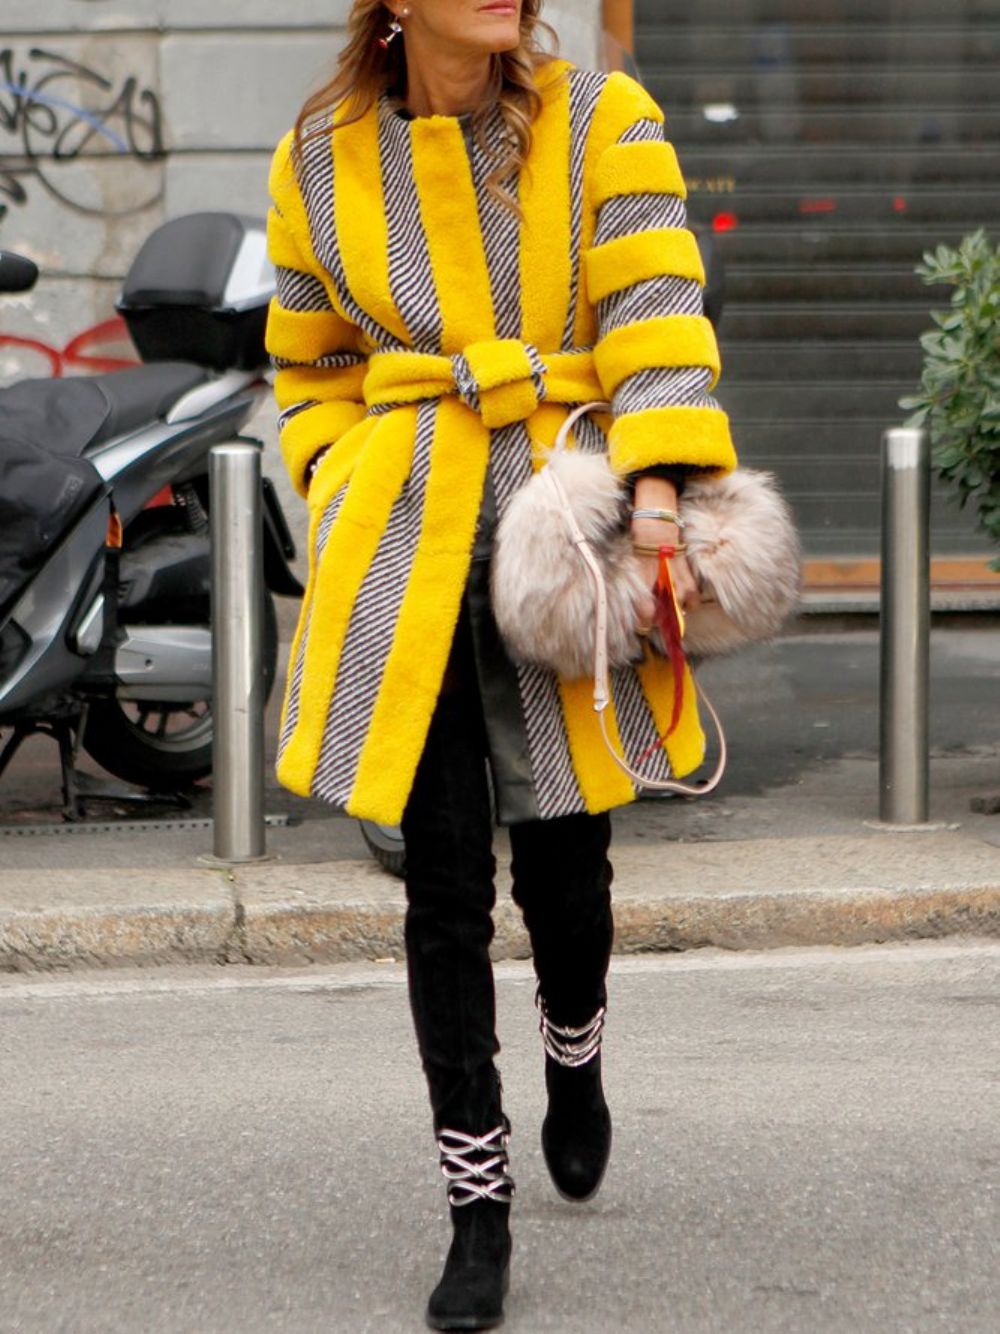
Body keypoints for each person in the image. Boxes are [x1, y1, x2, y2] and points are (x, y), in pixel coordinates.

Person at [265, 1, 735, 1327]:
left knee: (568, 880)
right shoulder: (319, 156)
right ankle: (477, 1208)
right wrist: (341, 472)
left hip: (563, 539)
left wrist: (657, 502)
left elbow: (657, 306)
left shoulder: (602, 119)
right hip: (404, 560)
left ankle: (573, 1052)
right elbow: (311, 366)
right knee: (443, 893)